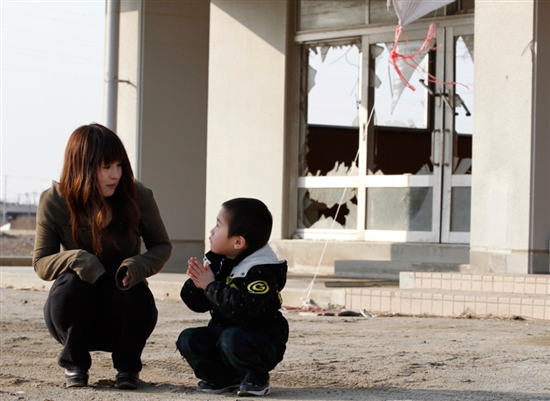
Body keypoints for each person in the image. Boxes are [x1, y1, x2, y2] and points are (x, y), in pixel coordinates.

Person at [33, 123, 172, 390]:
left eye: (119, 166)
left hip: (125, 303)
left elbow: (162, 245)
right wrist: (77, 258)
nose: (115, 175)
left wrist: (137, 265)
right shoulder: (55, 200)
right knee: (70, 286)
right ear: (82, 166)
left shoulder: (138, 196)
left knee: (131, 292)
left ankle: (127, 368)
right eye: (106, 167)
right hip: (74, 310)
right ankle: (75, 366)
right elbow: (41, 263)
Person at [176, 198, 288, 397]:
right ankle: (222, 379)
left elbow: (243, 309)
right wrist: (197, 283)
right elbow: (196, 305)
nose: (211, 231)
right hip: (226, 337)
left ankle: (256, 378)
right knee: (189, 338)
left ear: (238, 242)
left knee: (232, 338)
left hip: (262, 342)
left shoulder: (261, 271)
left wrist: (210, 285)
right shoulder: (220, 262)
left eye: (218, 226)